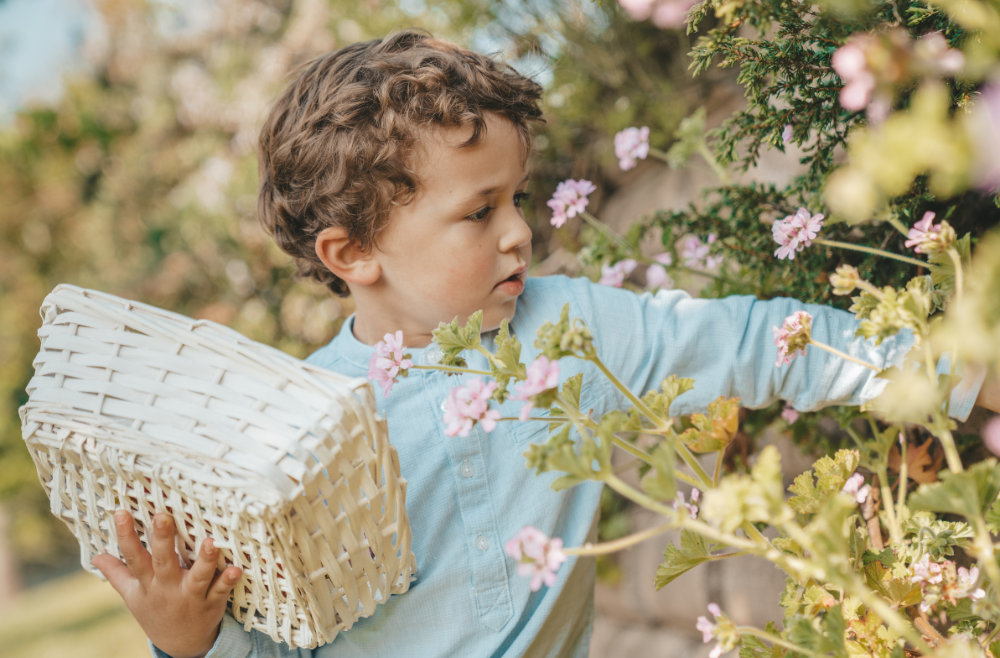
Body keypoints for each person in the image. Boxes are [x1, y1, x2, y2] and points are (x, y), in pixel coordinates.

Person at [91, 29, 998, 658]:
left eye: (518, 199)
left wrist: (953, 374)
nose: (518, 233)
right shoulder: (299, 427)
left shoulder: (576, 330)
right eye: (478, 212)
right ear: (353, 253)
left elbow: (759, 342)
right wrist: (191, 640)